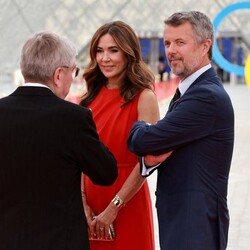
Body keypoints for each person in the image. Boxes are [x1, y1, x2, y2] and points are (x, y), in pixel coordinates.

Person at [0, 31, 118, 250]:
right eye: (73, 71)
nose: (73, 78)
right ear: (57, 75)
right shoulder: (74, 118)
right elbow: (106, 173)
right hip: (60, 242)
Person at [127, 11, 234, 250]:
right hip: (186, 222)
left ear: (205, 45)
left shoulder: (205, 96)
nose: (171, 50)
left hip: (194, 228)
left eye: (180, 42)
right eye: (167, 43)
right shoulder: (192, 91)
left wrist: (140, 126)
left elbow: (143, 142)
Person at [79, 20, 159, 250]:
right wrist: (82, 202)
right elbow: (78, 158)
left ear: (128, 54)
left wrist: (115, 206)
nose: (105, 58)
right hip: (90, 205)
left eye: (113, 50)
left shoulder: (145, 98)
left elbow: (148, 160)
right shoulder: (88, 99)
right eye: (100, 51)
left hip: (128, 201)